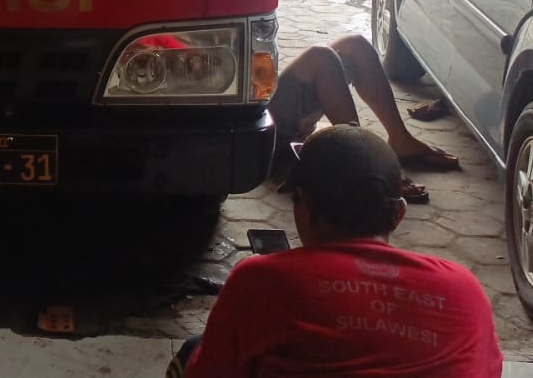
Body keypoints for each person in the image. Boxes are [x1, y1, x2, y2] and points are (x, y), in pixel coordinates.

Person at [172, 126, 503, 377]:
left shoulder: (259, 283)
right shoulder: (465, 291)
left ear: (303, 207)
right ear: (399, 214)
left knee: (193, 349)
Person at [269, 34, 460, 203]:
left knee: (356, 45)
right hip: (266, 136)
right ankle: (364, 161)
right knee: (321, 57)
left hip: (273, 106)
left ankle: (400, 139)